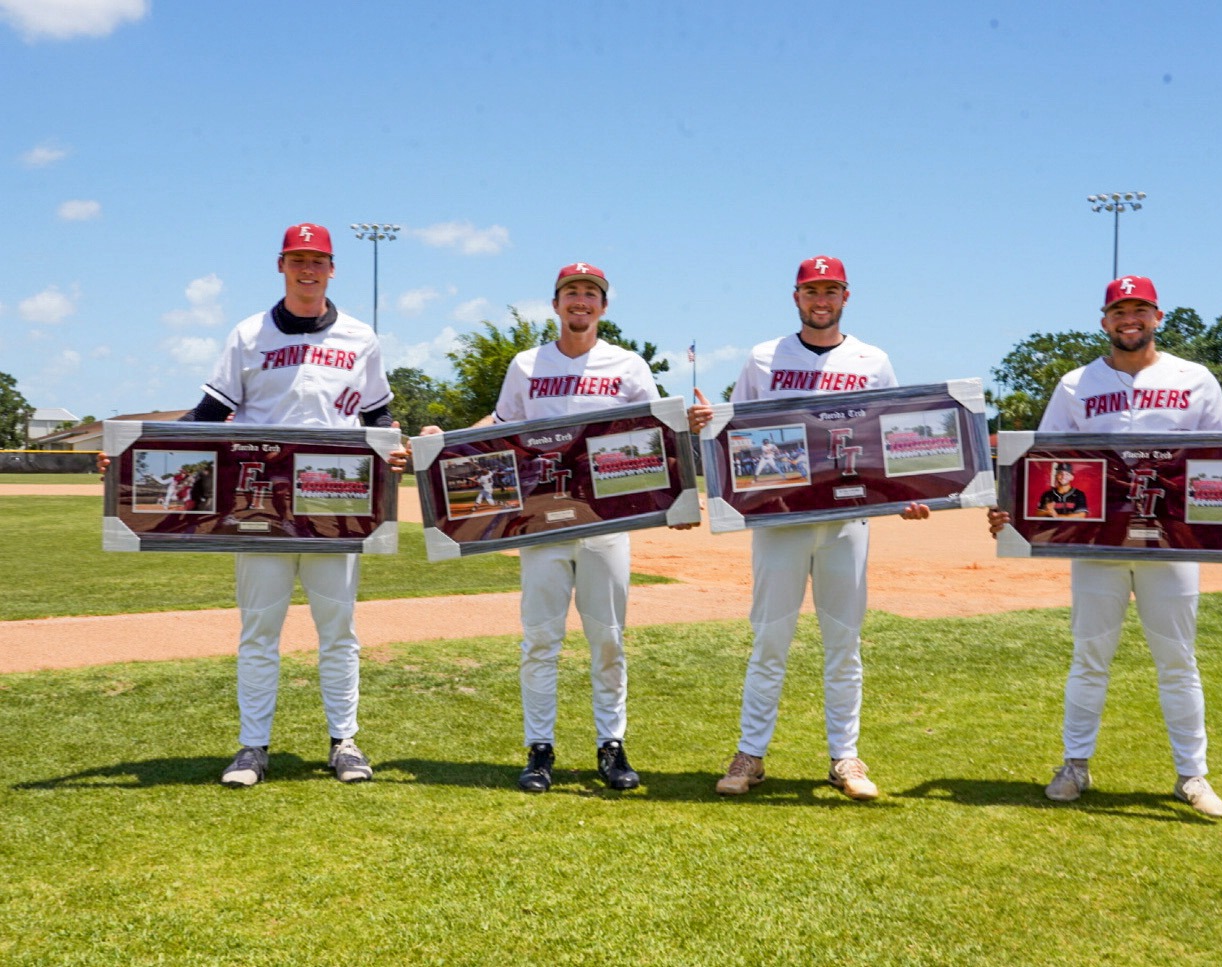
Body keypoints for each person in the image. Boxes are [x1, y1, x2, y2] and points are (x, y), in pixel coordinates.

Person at [988, 275, 1222, 818]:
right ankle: (1074, 765)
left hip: (1174, 546)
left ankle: (1192, 775)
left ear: (1158, 317)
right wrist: (1009, 510)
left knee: (1178, 662)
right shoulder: (1075, 384)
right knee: (1089, 657)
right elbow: (1041, 462)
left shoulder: (1195, 378)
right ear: (1104, 319)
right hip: (1099, 546)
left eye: (1140, 309)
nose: (1129, 319)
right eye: (1119, 310)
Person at [102, 223, 397, 788]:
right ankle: (252, 747)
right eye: (297, 260)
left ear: (333, 269)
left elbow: (379, 418)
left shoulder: (361, 337)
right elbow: (207, 415)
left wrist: (397, 445)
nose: (307, 269)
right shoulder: (247, 334)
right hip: (258, 507)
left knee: (339, 630)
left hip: (333, 506)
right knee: (260, 631)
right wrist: (130, 454)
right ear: (281, 265)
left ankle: (345, 742)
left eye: (318, 260)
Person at [688, 255, 931, 801]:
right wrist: (711, 425)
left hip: (846, 519)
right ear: (795, 297)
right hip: (782, 516)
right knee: (770, 640)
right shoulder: (763, 357)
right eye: (811, 290)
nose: (821, 299)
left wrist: (910, 496)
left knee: (844, 643)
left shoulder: (873, 359)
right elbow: (739, 431)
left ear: (846, 296)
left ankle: (845, 757)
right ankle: (750, 754)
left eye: (831, 290)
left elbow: (888, 438)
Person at [421, 262, 662, 793]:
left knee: (609, 640)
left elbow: (655, 436)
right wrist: (443, 444)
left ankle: (611, 745)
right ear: (556, 304)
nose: (581, 301)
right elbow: (500, 430)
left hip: (604, 521)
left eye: (591, 294)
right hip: (539, 521)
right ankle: (539, 749)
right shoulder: (527, 365)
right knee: (540, 641)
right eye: (571, 292)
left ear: (603, 306)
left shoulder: (627, 365)